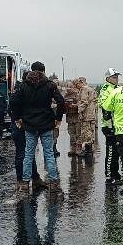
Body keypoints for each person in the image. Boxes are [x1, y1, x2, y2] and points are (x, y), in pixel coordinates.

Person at [10, 61, 66, 195]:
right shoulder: (50, 85)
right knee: (49, 154)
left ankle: (24, 184)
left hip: (29, 125)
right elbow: (61, 101)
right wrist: (58, 118)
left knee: (28, 155)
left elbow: (13, 101)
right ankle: (54, 183)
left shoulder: (23, 85)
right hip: (46, 123)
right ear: (44, 71)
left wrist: (18, 118)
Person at [98, 68, 123, 184]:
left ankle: (116, 173)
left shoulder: (117, 89)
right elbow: (104, 107)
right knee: (111, 151)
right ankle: (109, 176)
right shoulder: (106, 89)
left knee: (117, 151)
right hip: (109, 125)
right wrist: (109, 125)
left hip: (118, 124)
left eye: (117, 77)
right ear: (108, 78)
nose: (116, 79)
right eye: (114, 77)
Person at [75, 76, 98, 156]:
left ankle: (88, 151)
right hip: (92, 114)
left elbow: (83, 102)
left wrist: (79, 111)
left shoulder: (84, 89)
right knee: (91, 131)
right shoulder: (92, 89)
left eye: (77, 83)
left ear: (81, 82)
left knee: (86, 132)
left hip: (86, 115)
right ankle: (90, 149)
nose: (77, 86)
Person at [63, 82, 81, 156]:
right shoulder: (65, 95)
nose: (68, 89)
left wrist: (74, 105)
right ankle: (72, 149)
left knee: (78, 134)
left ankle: (79, 149)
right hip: (69, 117)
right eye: (67, 87)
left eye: (70, 87)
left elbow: (81, 104)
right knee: (71, 134)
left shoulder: (77, 94)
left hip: (77, 117)